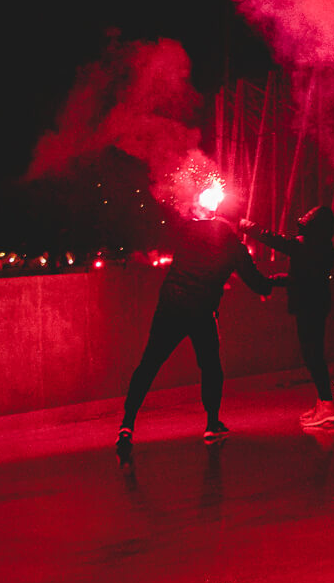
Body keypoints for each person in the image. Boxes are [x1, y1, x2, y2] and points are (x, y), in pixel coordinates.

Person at [115, 198, 275, 465]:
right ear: (236, 221)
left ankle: (127, 425)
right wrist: (271, 286)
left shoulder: (189, 228)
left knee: (149, 364)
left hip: (171, 304)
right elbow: (256, 282)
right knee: (211, 367)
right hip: (201, 310)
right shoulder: (234, 244)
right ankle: (212, 425)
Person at [242, 205, 334, 427]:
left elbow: (273, 240)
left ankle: (328, 404)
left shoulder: (307, 244)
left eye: (309, 214)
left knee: (312, 356)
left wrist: (245, 225)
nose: (304, 215)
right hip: (316, 304)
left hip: (309, 306)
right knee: (314, 355)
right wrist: (274, 280)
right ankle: (323, 402)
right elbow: (300, 277)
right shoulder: (321, 246)